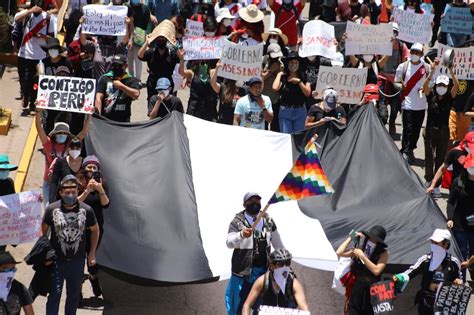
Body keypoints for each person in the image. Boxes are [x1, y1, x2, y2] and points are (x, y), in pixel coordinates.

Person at [42, 175, 99, 315]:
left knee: (73, 297)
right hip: (56, 261)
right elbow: (42, 233)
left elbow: (95, 230)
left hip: (77, 261)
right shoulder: (52, 209)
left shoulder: (87, 210)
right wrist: (45, 254)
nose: (71, 195)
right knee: (54, 295)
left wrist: (91, 253)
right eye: (67, 192)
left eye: (74, 191)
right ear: (60, 192)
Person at [225, 192, 284, 315]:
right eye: (251, 202)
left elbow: (278, 243)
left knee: (262, 307)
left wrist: (283, 261)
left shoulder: (268, 220)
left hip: (263, 272)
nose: (255, 204)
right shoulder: (238, 221)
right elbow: (229, 243)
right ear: (244, 204)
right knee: (239, 307)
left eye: (257, 201)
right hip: (242, 274)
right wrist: (241, 235)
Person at [393, 229, 463, 315]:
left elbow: (459, 278)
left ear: (446, 244)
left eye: (436, 243)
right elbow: (412, 271)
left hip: (445, 302)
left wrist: (458, 281)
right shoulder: (426, 259)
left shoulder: (453, 262)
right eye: (432, 242)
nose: (433, 246)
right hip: (426, 299)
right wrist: (400, 277)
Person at [35, 112, 91, 206]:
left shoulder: (71, 144)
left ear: (68, 135)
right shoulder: (48, 143)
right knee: (49, 207)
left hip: (65, 184)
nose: (62, 135)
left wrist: (89, 114)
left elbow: (84, 132)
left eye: (64, 133)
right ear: (55, 134)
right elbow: (39, 128)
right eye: (59, 133)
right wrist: (38, 111)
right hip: (49, 181)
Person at [423, 64, 459, 198]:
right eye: (440, 85)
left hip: (444, 131)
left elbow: (456, 85)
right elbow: (425, 86)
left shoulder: (449, 98)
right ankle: (428, 179)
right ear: (436, 85)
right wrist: (432, 72)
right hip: (430, 130)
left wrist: (451, 71)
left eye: (444, 86)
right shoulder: (430, 95)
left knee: (440, 158)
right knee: (428, 157)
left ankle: (436, 185)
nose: (441, 88)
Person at [336, 225, 389, 315]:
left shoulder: (383, 253)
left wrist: (362, 256)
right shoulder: (361, 248)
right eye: (370, 238)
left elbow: (376, 271)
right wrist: (350, 238)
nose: (371, 241)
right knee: (353, 311)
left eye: (375, 240)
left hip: (372, 290)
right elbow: (340, 252)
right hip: (358, 289)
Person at [78, 156, 110, 298]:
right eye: (88, 167)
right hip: (78, 228)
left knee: (92, 258)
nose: (91, 170)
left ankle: (93, 278)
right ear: (84, 168)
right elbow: (72, 203)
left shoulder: (102, 183)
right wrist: (86, 191)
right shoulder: (78, 182)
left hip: (96, 229)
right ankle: (77, 293)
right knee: (78, 261)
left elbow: (106, 204)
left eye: (94, 168)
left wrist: (100, 189)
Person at [394, 42, 430, 164]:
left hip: (421, 104)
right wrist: (401, 86)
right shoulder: (403, 66)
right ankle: (405, 150)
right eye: (413, 51)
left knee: (416, 130)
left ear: (421, 54)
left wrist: (425, 89)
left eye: (417, 52)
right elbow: (396, 82)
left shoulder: (427, 67)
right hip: (407, 103)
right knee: (407, 128)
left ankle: (410, 149)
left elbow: (431, 83)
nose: (414, 54)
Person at [242, 249, 309, 314]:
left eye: (287, 263)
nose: (285, 267)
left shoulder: (293, 284)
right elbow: (247, 305)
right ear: (272, 265)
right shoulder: (262, 281)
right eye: (280, 264)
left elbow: (304, 309)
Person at [15, 1, 54, 112]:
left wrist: (43, 36)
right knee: (24, 78)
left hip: (40, 54)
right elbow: (16, 19)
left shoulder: (47, 17)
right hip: (24, 52)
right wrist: (29, 11)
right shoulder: (27, 14)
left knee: (36, 80)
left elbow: (51, 38)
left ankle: (32, 101)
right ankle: (25, 94)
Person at [446, 154, 474, 280]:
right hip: (459, 224)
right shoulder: (458, 182)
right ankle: (460, 280)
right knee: (461, 254)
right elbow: (451, 202)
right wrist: (450, 218)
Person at [379, 22, 409, 135]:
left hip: (396, 80)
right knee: (382, 107)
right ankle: (381, 127)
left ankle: (392, 122)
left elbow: (407, 62)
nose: (392, 34)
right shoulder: (380, 45)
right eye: (390, 32)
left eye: (394, 32)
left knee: (395, 107)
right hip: (383, 79)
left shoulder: (402, 46)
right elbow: (378, 63)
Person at [138, 22, 179, 100]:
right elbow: (140, 55)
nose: (161, 41)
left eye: (163, 39)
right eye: (159, 39)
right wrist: (147, 42)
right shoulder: (152, 52)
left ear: (167, 40)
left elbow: (181, 58)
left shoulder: (171, 53)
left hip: (167, 84)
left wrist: (175, 46)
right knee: (152, 106)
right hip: (153, 83)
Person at [273, 52, 311, 134]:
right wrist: (279, 74)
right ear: (287, 63)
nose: (293, 65)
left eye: (296, 62)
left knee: (299, 138)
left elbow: (307, 93)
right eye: (291, 62)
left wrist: (299, 82)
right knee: (286, 137)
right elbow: (275, 88)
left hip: (300, 111)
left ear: (299, 64)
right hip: (285, 111)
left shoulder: (304, 76)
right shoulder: (284, 76)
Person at [95, 54, 141, 122]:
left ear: (125, 66)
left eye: (119, 65)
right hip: (106, 119)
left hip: (123, 120)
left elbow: (136, 94)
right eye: (114, 65)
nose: (116, 67)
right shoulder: (105, 78)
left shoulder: (131, 79)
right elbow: (98, 98)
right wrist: (98, 114)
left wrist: (121, 86)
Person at [178, 50, 218, 121]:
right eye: (201, 62)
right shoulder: (192, 73)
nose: (203, 63)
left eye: (205, 62)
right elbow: (181, 72)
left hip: (208, 106)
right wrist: (181, 59)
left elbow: (221, 68)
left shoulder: (212, 72)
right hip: (194, 106)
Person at [48, 138, 85, 204]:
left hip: (81, 199)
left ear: (80, 150)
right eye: (72, 148)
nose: (75, 150)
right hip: (64, 198)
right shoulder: (60, 162)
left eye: (77, 148)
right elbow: (54, 182)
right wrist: (51, 201)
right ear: (68, 149)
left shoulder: (85, 162)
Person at [262, 45, 284, 131]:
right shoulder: (263, 61)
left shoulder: (281, 63)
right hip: (264, 98)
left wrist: (278, 71)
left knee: (275, 125)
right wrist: (271, 70)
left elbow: (281, 80)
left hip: (275, 99)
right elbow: (261, 78)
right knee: (263, 123)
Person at [128, 0, 151, 83]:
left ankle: (137, 79)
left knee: (138, 58)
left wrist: (147, 36)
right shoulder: (127, 7)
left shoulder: (145, 8)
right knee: (129, 58)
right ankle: (130, 77)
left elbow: (148, 23)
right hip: (128, 36)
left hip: (140, 36)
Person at [0, 155, 18, 252]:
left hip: (4, 227)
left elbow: (15, 201)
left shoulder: (9, 182)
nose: (5, 172)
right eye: (2, 170)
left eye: (6, 170)